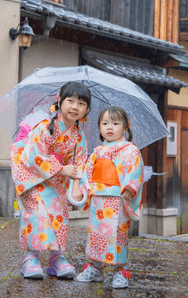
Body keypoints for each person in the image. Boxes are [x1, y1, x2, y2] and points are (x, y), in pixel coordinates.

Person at [9, 81, 91, 279]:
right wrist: (61, 168)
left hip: (56, 182)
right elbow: (32, 157)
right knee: (37, 216)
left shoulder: (79, 137)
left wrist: (78, 186)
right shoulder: (45, 127)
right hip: (33, 179)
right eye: (70, 101)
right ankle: (31, 258)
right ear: (59, 101)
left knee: (59, 216)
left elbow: (80, 164)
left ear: (86, 109)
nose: (74, 107)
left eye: (81, 104)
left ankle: (57, 258)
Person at [75, 106, 144, 289]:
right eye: (105, 123)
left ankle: (121, 270)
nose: (109, 127)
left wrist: (130, 187)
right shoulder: (97, 151)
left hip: (118, 200)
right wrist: (82, 189)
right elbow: (87, 174)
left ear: (125, 127)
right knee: (96, 234)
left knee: (117, 235)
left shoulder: (130, 150)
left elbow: (134, 170)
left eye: (115, 123)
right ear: (99, 127)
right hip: (98, 199)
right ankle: (96, 268)